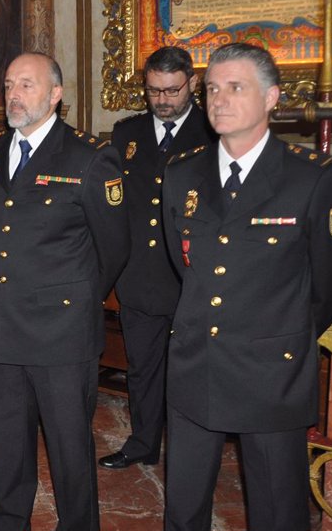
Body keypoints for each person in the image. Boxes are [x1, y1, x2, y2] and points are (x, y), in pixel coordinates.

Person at [161, 43, 332, 531]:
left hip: (272, 370)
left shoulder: (312, 178)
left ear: (272, 98)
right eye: (211, 89)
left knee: (276, 506)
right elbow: (183, 261)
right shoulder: (182, 172)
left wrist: (286, 332)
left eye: (235, 88)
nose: (219, 100)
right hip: (196, 363)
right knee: (183, 506)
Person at [0, 53, 129, 530]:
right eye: (7, 86)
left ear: (56, 95)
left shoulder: (87, 156)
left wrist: (76, 298)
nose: (13, 95)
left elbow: (115, 247)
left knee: (67, 442)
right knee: (4, 435)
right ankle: (9, 516)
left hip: (59, 330)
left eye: (26, 84)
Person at [99, 47, 215, 471]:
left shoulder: (213, 131)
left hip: (192, 279)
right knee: (143, 368)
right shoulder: (126, 134)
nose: (163, 100)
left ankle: (191, 455)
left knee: (192, 373)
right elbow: (113, 207)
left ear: (192, 84)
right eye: (154, 91)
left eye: (172, 90)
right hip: (140, 277)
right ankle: (143, 442)